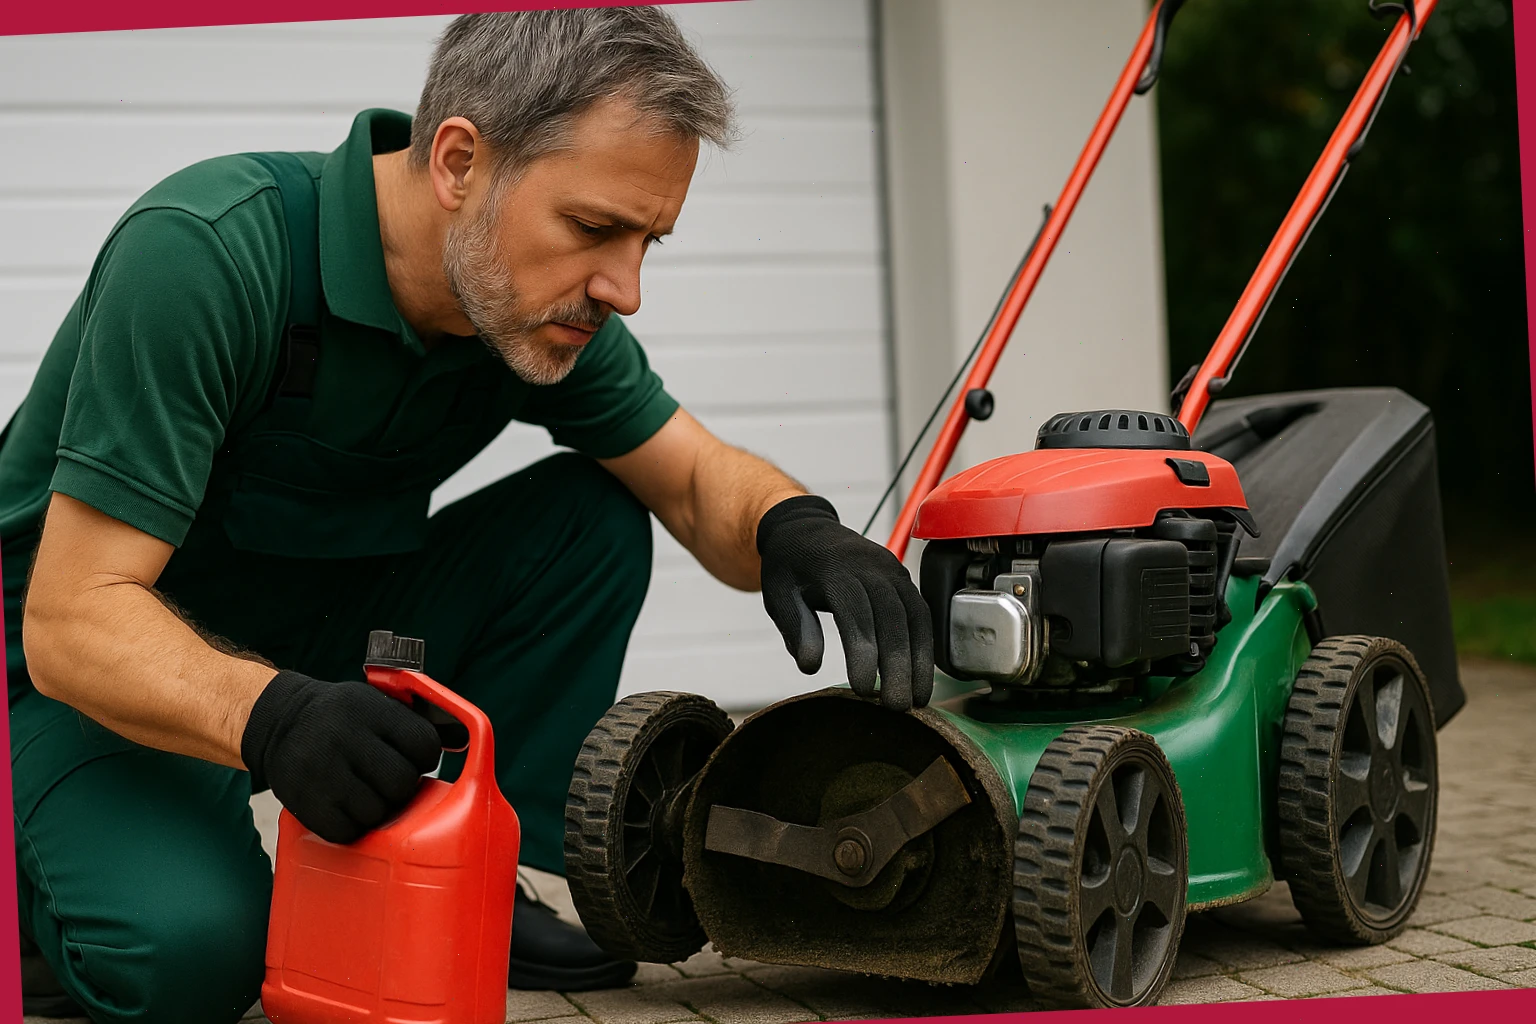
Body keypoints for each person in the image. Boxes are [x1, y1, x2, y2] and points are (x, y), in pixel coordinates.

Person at [1, 8, 935, 1023]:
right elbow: (74, 617)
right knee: (189, 958)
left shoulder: (523, 304)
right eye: (592, 228)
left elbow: (694, 478)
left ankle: (481, 874)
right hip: (67, 662)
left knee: (589, 516)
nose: (624, 287)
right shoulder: (208, 257)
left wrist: (797, 525)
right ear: (458, 163)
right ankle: (44, 894)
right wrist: (273, 718)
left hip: (298, 624)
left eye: (647, 240)